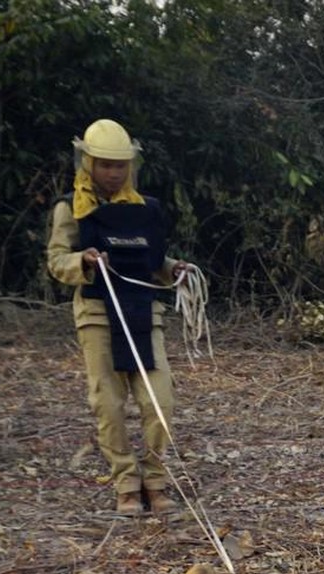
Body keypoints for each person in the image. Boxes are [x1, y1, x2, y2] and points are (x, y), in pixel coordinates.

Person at [46, 118, 190, 516]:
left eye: (120, 165)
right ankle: (126, 483)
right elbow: (57, 262)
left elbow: (152, 261)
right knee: (108, 404)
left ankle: (156, 481)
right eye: (105, 164)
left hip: (144, 310)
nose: (113, 172)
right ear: (87, 163)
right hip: (96, 312)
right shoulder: (70, 208)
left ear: (131, 166)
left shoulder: (147, 210)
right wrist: (85, 260)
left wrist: (174, 269)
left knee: (159, 402)